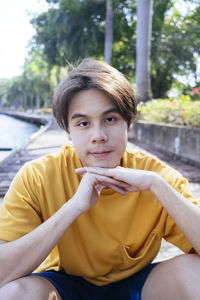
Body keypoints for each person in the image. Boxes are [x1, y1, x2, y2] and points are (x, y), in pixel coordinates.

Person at [0, 58, 199, 300]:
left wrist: (157, 187)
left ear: (129, 124)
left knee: (194, 273)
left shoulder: (157, 177)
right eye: (83, 123)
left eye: (110, 119)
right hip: (63, 285)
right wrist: (73, 208)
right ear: (67, 132)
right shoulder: (38, 176)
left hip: (139, 285)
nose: (98, 136)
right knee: (14, 293)